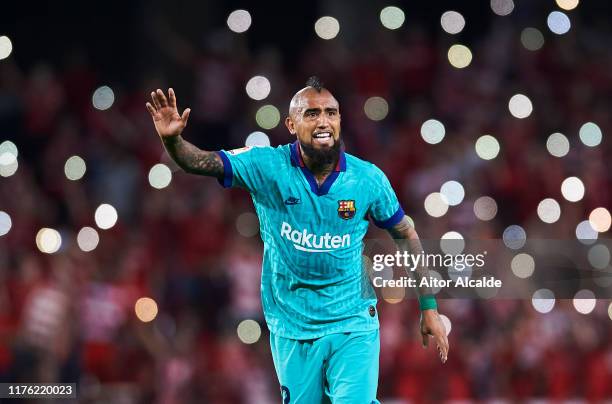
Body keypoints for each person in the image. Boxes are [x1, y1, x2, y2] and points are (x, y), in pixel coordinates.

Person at [146, 76, 449, 403]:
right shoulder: (266, 166)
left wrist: (429, 306)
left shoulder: (368, 179)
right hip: (292, 326)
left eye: (331, 113)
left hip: (353, 320)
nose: (323, 121)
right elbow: (200, 162)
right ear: (291, 124)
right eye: (312, 113)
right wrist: (173, 142)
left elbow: (405, 233)